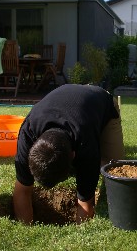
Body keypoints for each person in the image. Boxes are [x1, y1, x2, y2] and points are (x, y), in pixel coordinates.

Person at [13, 84, 124, 224]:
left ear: (73, 155)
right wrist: (25, 229)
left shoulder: (86, 143)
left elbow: (86, 204)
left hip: (101, 101)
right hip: (69, 102)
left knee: (114, 168)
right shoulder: (28, 131)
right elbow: (22, 189)